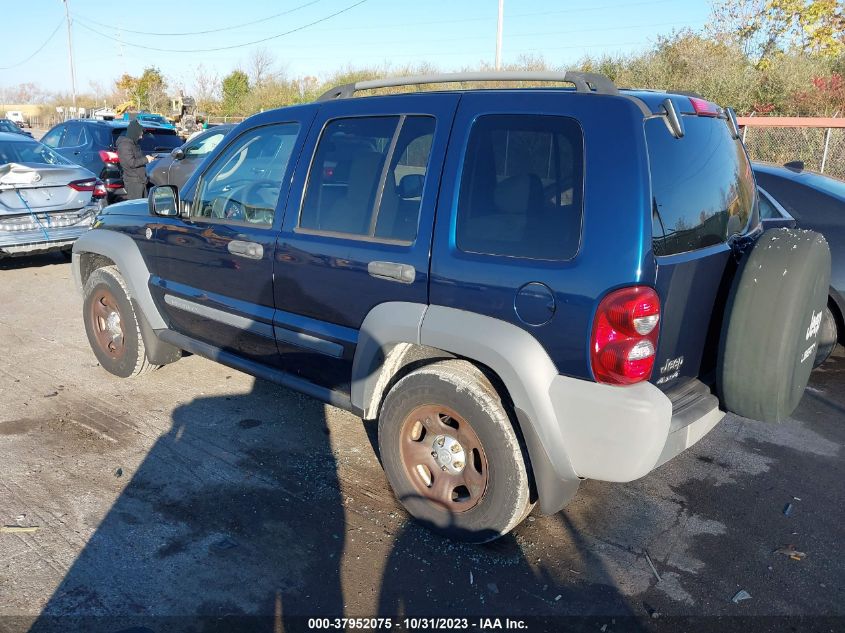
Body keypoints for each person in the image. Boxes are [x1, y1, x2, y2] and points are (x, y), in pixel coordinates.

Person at [116, 119, 153, 200]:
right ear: (134, 133)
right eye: (140, 134)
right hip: (133, 182)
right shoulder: (125, 145)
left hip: (140, 180)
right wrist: (146, 159)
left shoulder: (134, 144)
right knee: (136, 207)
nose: (141, 136)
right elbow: (131, 163)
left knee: (142, 206)